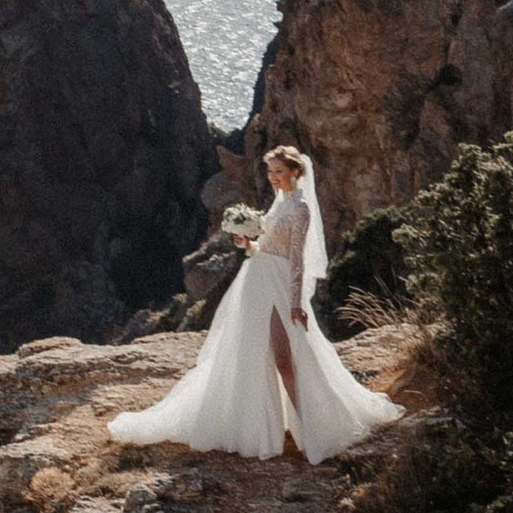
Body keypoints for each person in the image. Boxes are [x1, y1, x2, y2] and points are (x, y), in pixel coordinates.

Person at [109, 146, 401, 463]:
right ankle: (259, 426)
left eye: (279, 171)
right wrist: (248, 243)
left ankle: (311, 426)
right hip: (255, 283)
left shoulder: (300, 209)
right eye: (270, 172)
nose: (273, 178)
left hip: (280, 288)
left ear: (295, 172)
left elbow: (296, 261)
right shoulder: (280, 203)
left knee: (284, 360)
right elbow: (267, 248)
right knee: (252, 356)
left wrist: (295, 303)